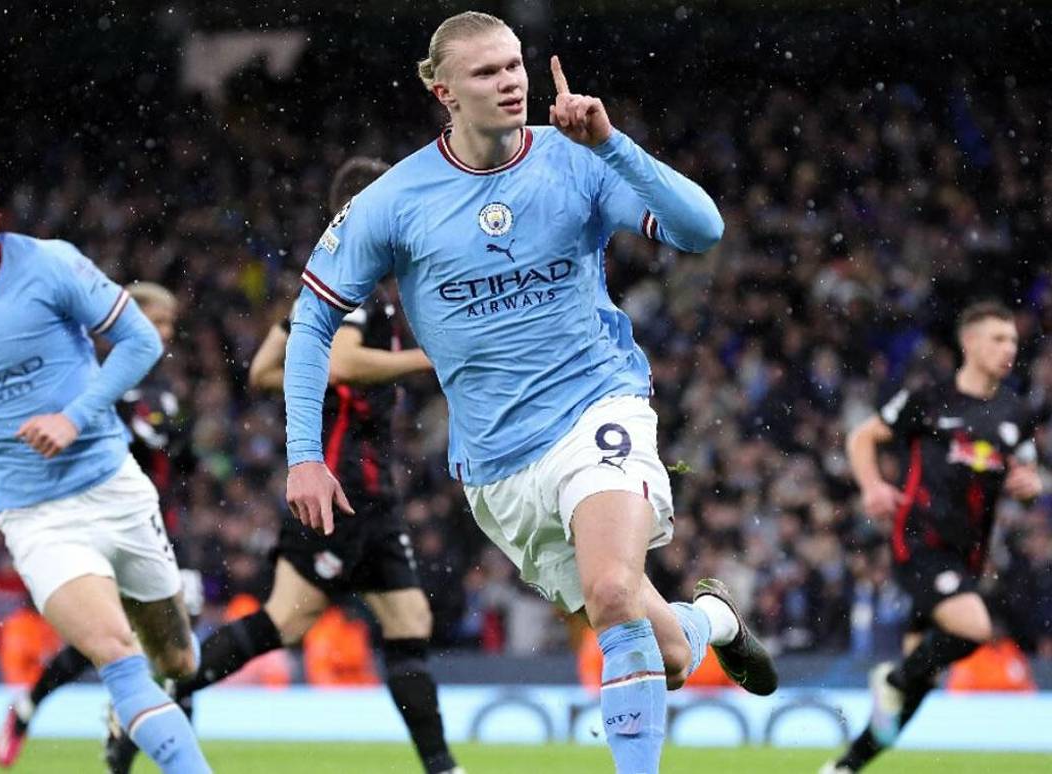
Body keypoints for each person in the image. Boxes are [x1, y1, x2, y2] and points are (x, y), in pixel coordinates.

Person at [282, 12, 776, 774]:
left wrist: (611, 143)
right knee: (666, 654)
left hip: (597, 407)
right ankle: (710, 619)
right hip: (497, 464)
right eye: (487, 72)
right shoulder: (395, 198)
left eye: (515, 65)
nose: (510, 81)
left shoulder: (575, 159)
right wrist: (304, 455)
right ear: (444, 90)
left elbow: (701, 229)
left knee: (613, 592)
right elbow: (312, 321)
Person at [0, 148, 210, 773]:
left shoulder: (51, 263)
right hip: (35, 515)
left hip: (115, 486)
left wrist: (74, 417)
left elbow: (140, 339)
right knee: (118, 653)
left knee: (178, 661)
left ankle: (129, 712)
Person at [169, 156, 464, 774]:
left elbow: (263, 370)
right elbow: (346, 365)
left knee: (409, 619)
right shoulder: (359, 293)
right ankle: (167, 691)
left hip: (371, 492)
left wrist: (318, 377)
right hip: (342, 486)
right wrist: (427, 358)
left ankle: (442, 767)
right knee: (285, 622)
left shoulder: (322, 291)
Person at [822, 301, 1043, 773]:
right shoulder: (929, 398)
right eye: (998, 339)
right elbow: (863, 437)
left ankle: (845, 766)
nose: (1009, 349)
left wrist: (1032, 485)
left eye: (1013, 342)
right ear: (970, 343)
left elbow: (1026, 473)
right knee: (975, 629)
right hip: (919, 544)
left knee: (917, 690)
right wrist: (872, 486)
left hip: (967, 560)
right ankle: (895, 677)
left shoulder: (1015, 412)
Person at [0, 281, 201, 773]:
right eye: (158, 322)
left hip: (160, 530)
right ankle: (31, 712)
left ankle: (113, 742)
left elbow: (182, 459)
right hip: (100, 526)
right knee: (109, 642)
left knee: (178, 653)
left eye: (170, 324)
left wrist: (176, 437)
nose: (166, 333)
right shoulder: (98, 386)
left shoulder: (165, 390)